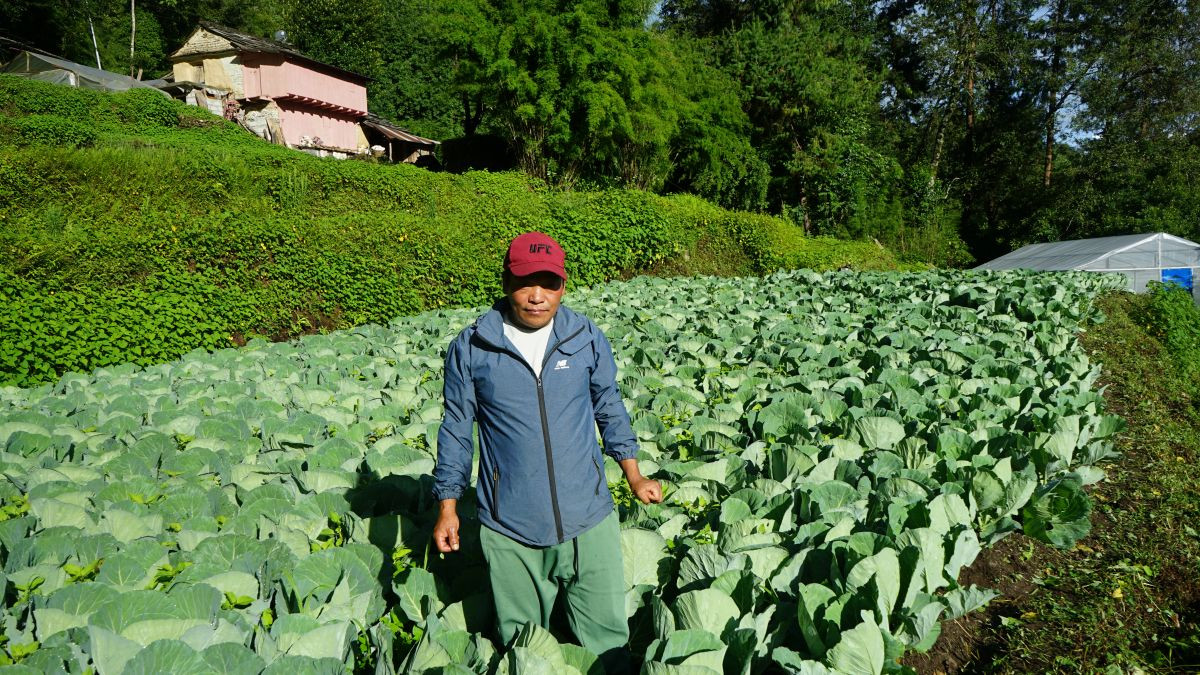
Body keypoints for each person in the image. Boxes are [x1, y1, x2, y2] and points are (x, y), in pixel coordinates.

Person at [431, 231, 662, 667]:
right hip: (510, 525)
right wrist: (447, 506)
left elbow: (608, 405)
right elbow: (458, 428)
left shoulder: (583, 336)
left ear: (563, 284)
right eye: (525, 282)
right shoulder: (472, 347)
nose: (537, 296)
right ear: (505, 282)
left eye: (549, 283)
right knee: (526, 652)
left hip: (588, 517)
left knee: (609, 647)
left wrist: (633, 473)